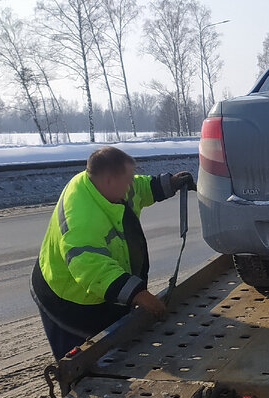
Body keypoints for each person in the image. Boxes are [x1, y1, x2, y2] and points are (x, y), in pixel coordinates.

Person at [31, 145, 195, 361]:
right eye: (127, 180)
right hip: (66, 300)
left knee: (116, 341)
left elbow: (139, 188)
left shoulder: (105, 186)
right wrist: (138, 294)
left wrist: (168, 184)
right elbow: (92, 268)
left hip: (98, 290)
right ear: (110, 180)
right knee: (83, 359)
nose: (131, 184)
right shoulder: (81, 217)